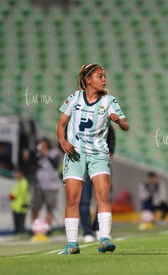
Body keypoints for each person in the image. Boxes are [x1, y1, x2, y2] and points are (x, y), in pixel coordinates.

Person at [56, 64, 129, 255]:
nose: (104, 79)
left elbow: (126, 125)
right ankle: (72, 244)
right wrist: (62, 140)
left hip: (98, 154)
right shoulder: (75, 98)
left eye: (104, 76)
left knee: (102, 195)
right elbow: (61, 123)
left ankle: (104, 239)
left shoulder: (109, 101)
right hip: (75, 154)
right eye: (100, 76)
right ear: (88, 80)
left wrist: (118, 120)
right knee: (73, 198)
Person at [79, 124, 115, 243]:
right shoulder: (76, 120)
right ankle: (87, 231)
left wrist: (109, 154)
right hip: (83, 165)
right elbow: (64, 139)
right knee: (84, 200)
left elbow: (111, 139)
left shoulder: (104, 122)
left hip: (101, 163)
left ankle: (99, 228)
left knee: (104, 197)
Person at [30, 138, 60, 233]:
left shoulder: (54, 153)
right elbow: (32, 164)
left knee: (50, 208)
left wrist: (46, 154)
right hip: (39, 185)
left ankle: (48, 228)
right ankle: (34, 227)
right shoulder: (37, 154)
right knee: (35, 207)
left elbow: (56, 165)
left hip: (51, 186)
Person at [9, 167, 30, 234]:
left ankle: (20, 232)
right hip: (17, 205)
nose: (16, 175)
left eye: (17, 174)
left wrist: (12, 196)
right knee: (17, 222)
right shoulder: (20, 182)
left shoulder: (23, 182)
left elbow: (22, 194)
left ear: (21, 174)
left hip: (20, 206)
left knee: (20, 222)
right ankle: (18, 231)